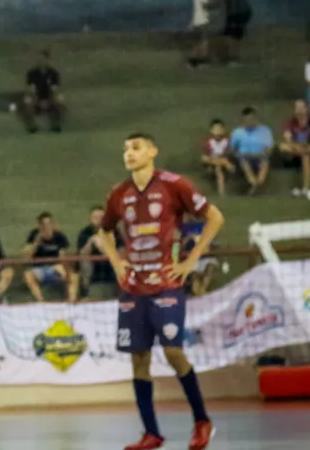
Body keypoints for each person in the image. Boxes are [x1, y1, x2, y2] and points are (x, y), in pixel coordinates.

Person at [95, 133, 224, 450]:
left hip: (166, 284)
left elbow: (215, 217)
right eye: (125, 148)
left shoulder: (173, 184)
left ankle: (202, 421)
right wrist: (117, 263)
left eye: (136, 147)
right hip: (133, 288)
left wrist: (191, 261)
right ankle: (151, 433)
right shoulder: (119, 194)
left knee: (173, 352)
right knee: (139, 360)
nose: (129, 153)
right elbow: (103, 233)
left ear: (153, 151)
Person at [22, 212, 76, 302]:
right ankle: (41, 301)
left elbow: (63, 256)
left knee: (73, 276)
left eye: (49, 223)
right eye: (44, 225)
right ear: (39, 226)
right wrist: (36, 242)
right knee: (28, 275)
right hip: (39, 269)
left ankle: (71, 301)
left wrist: (65, 269)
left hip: (55, 268)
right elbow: (26, 258)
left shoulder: (59, 236)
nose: (47, 227)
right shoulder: (34, 235)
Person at [76, 205, 124, 300]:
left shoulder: (114, 231)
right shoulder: (85, 233)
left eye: (101, 218)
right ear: (90, 219)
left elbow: (122, 252)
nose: (98, 220)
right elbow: (81, 254)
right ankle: (85, 293)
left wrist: (107, 247)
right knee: (85, 263)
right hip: (94, 273)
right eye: (95, 218)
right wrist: (91, 242)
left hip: (112, 269)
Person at [229, 107, 274, 194]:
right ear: (243, 120)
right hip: (244, 156)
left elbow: (270, 147)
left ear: (256, 118)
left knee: (265, 160)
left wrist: (266, 152)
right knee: (243, 160)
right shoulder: (237, 132)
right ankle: (253, 182)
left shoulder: (265, 131)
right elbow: (232, 148)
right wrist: (236, 153)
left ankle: (259, 182)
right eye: (247, 119)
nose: (250, 121)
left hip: (260, 155)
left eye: (252, 119)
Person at [279, 100, 310, 193]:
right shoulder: (290, 122)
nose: (300, 111)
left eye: (302, 108)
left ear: (306, 109)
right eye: (297, 108)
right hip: (295, 150)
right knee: (282, 146)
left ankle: (306, 187)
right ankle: (303, 153)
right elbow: (288, 139)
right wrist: (298, 148)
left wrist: (309, 148)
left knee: (306, 155)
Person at [20, 50, 65, 133]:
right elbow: (30, 88)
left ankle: (56, 125)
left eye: (43, 59)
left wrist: (48, 100)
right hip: (36, 97)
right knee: (27, 101)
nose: (41, 61)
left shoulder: (53, 73)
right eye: (39, 59)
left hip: (49, 97)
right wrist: (37, 100)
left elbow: (55, 89)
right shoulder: (32, 73)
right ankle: (32, 126)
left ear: (47, 60)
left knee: (60, 100)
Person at [199, 119, 234, 196]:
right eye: (215, 129)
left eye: (219, 129)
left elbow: (229, 154)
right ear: (211, 131)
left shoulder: (227, 142)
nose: (217, 132)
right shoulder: (208, 143)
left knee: (219, 167)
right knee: (211, 160)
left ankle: (221, 191)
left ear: (223, 130)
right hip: (211, 164)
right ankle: (221, 191)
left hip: (222, 164)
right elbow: (204, 157)